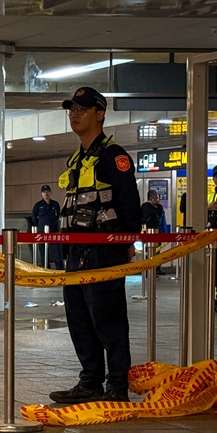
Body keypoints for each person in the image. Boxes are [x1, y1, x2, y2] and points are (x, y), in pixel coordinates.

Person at [49, 88, 142, 405]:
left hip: (104, 250)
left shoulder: (113, 157)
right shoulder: (77, 160)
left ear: (100, 113)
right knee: (79, 319)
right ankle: (90, 381)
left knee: (108, 319)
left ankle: (117, 386)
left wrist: (127, 242)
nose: (74, 113)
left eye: (82, 109)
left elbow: (130, 205)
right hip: (76, 252)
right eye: (71, 109)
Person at [30, 184, 62, 269]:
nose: (45, 194)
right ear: (41, 194)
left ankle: (59, 269)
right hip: (42, 232)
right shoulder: (38, 205)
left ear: (50, 192)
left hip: (53, 230)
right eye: (44, 192)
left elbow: (57, 215)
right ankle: (46, 269)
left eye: (47, 191)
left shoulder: (55, 204)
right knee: (43, 252)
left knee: (57, 252)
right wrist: (40, 225)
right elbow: (34, 217)